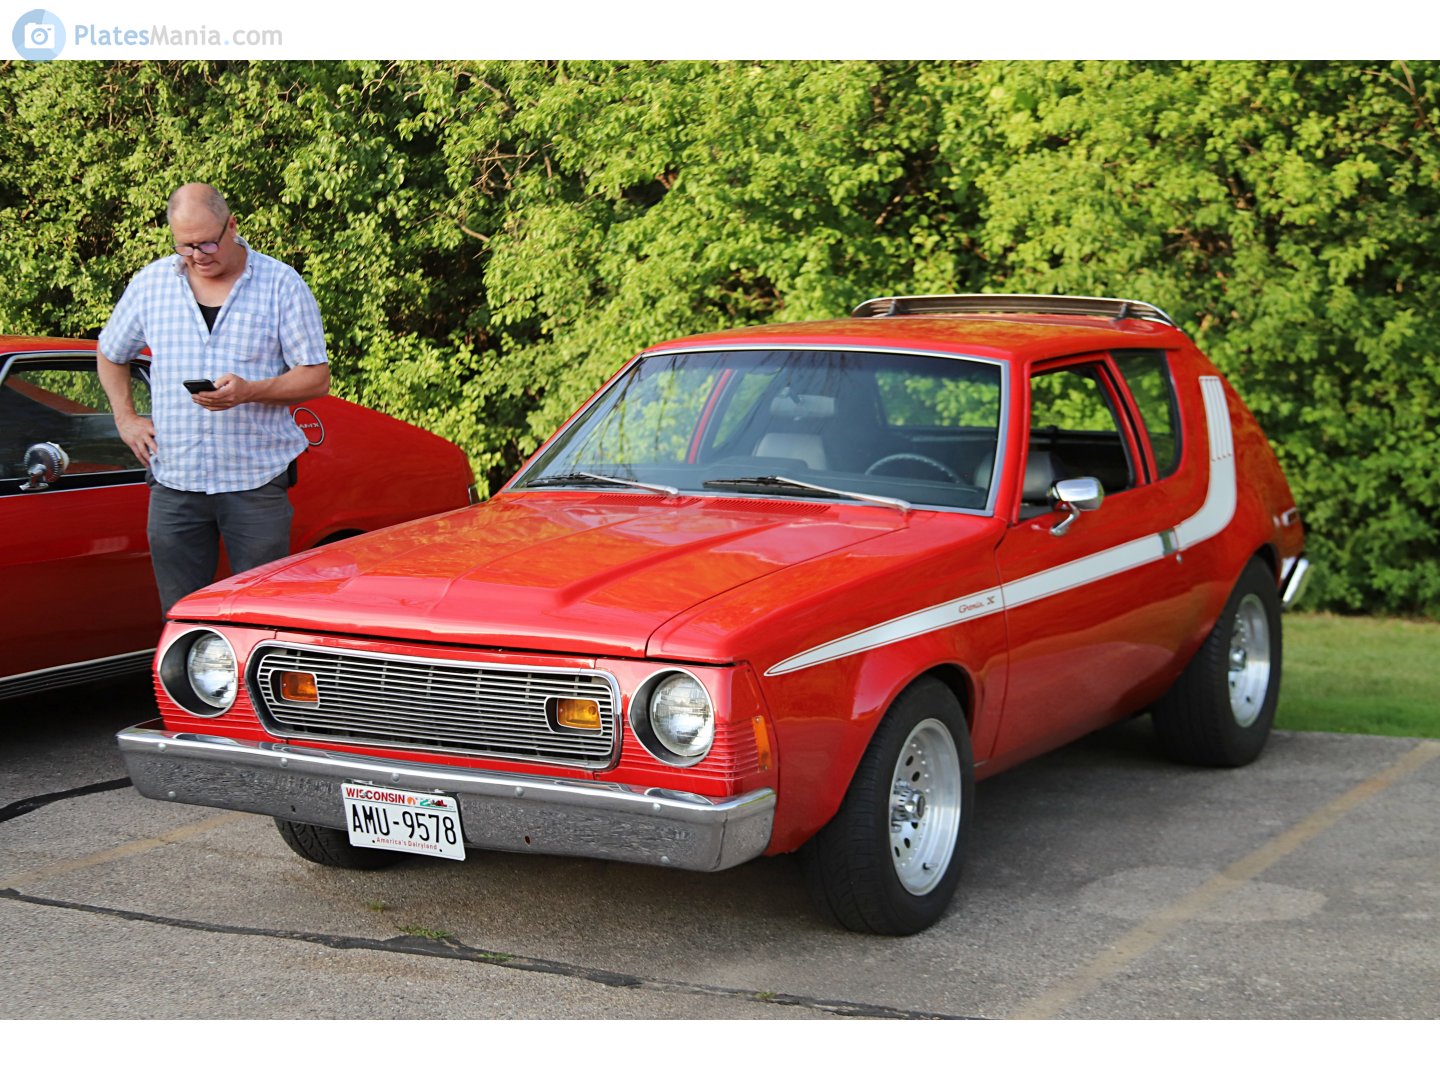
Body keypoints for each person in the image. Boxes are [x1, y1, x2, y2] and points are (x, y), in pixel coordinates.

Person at [97, 182, 330, 612]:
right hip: (175, 481)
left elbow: (316, 379)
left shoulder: (281, 284)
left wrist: (250, 391)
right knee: (180, 616)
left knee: (261, 614)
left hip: (255, 483)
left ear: (232, 226)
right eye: (185, 246)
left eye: (207, 243)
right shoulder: (152, 284)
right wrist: (125, 419)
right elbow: (111, 353)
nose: (198, 256)